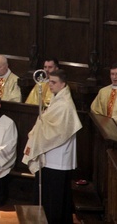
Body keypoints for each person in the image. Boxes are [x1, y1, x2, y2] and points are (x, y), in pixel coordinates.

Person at [22, 69, 82, 224]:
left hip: (57, 157)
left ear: (63, 84)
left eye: (53, 82)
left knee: (55, 196)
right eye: (49, 81)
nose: (50, 85)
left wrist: (41, 125)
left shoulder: (65, 105)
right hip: (52, 156)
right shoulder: (58, 99)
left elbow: (56, 131)